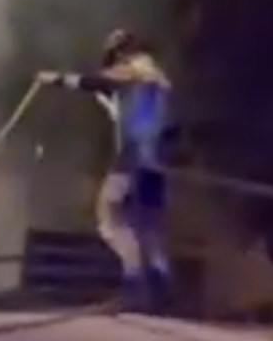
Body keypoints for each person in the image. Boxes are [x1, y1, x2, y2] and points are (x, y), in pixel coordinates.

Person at [38, 28, 174, 311]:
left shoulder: (136, 68)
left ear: (121, 53)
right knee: (149, 228)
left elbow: (97, 81)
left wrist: (56, 79)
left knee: (108, 216)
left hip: (135, 154)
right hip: (158, 161)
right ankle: (162, 289)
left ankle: (133, 284)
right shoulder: (158, 77)